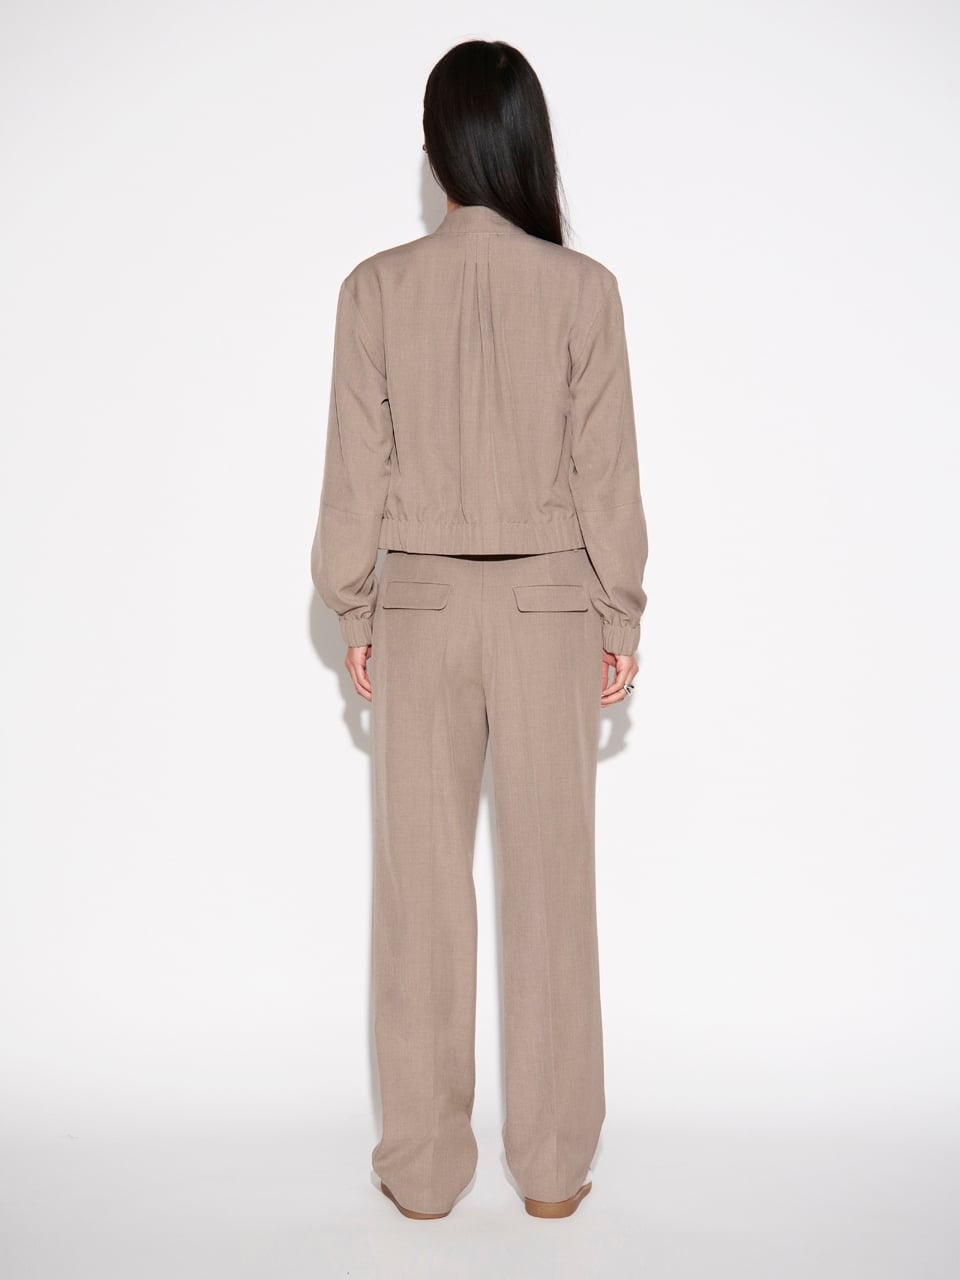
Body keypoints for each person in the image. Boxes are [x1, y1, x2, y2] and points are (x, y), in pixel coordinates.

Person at [310, 38, 649, 1220]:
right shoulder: (583, 289)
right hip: (553, 607)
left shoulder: (376, 289)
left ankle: (421, 1168)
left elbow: (355, 474)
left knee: (421, 895)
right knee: (552, 889)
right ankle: (552, 1170)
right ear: (524, 143)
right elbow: (608, 477)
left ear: (436, 148)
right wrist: (619, 611)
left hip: (419, 607)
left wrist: (354, 603)